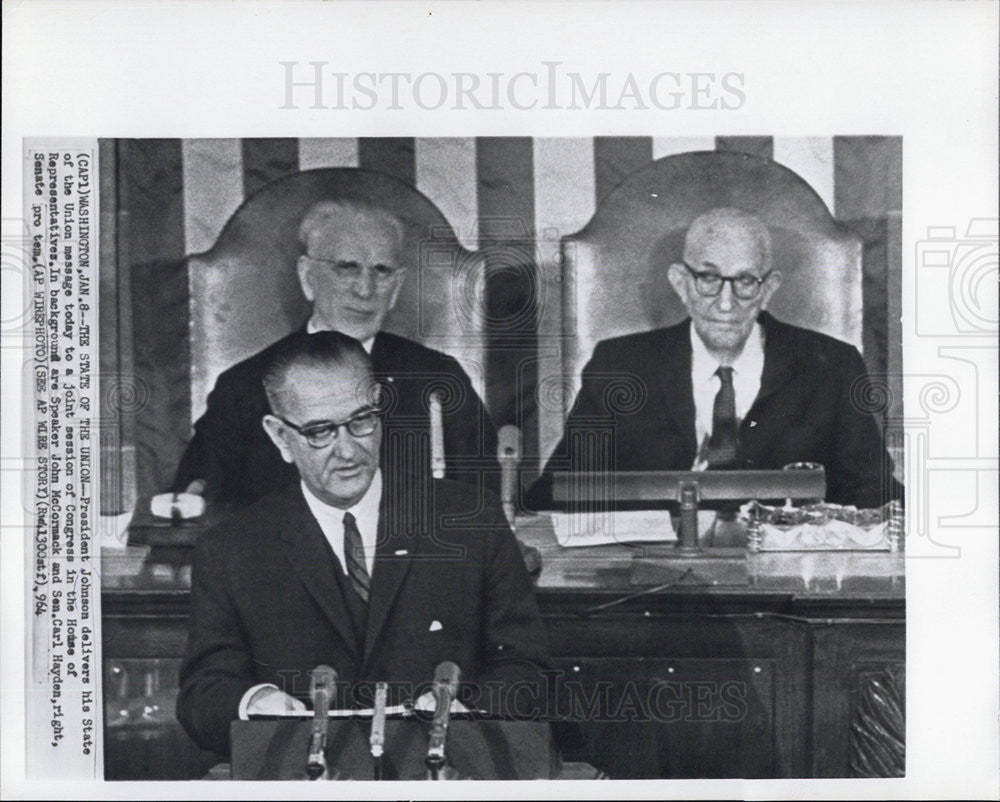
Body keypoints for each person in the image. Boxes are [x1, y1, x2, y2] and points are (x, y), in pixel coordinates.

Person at [176, 331, 548, 758]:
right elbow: (202, 694)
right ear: (280, 437)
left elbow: (528, 670)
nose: (348, 449)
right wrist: (255, 701)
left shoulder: (469, 519)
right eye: (320, 431)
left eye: (361, 421)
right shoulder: (231, 550)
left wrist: (469, 710)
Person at [530, 207, 903, 510]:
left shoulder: (831, 366)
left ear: (768, 288)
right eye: (708, 278)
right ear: (681, 283)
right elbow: (560, 492)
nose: (726, 304)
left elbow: (876, 494)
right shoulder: (620, 366)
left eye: (744, 281)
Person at [172, 199, 499, 507]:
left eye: (381, 271)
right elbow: (197, 509)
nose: (365, 289)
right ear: (307, 276)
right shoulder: (244, 389)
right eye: (347, 268)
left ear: (397, 287)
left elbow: (486, 508)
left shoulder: (438, 379)